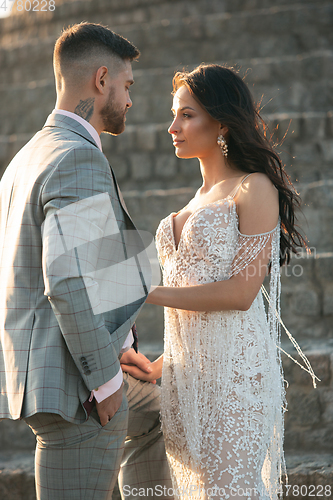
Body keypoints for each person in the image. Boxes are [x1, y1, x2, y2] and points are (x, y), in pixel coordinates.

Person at [0, 22, 172, 500]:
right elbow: (66, 280)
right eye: (127, 85)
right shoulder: (78, 158)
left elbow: (79, 270)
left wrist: (115, 350)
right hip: (79, 391)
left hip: (52, 371)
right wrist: (103, 379)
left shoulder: (28, 156)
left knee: (161, 412)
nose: (130, 99)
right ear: (101, 80)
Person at [143, 64, 309, 499]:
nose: (172, 127)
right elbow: (191, 303)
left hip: (238, 379)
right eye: (174, 114)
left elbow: (240, 293)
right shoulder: (190, 205)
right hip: (186, 384)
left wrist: (145, 292)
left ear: (220, 122)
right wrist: (161, 364)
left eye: (186, 115)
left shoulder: (254, 188)